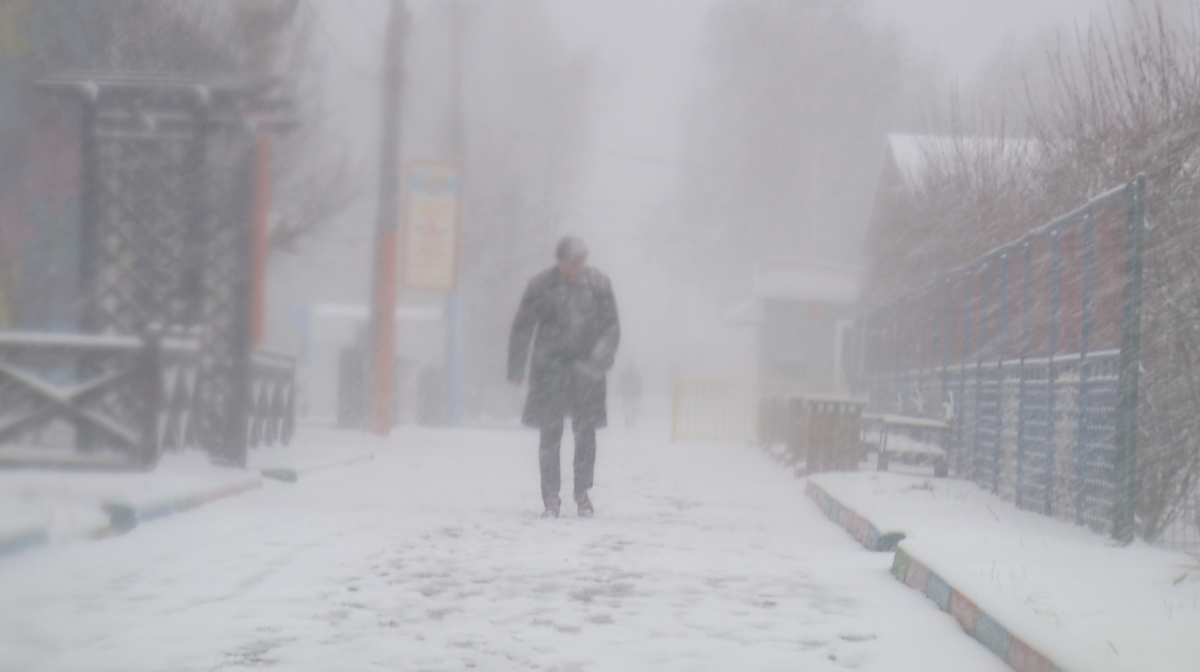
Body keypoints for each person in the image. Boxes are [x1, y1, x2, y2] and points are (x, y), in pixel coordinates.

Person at [508, 236, 620, 518]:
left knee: (586, 435)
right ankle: (550, 498)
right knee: (550, 436)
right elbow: (523, 326)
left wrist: (598, 360)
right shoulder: (541, 286)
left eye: (578, 263)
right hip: (550, 370)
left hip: (587, 373)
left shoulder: (599, 285)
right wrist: (517, 367)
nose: (574, 270)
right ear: (558, 262)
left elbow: (611, 328)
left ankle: (582, 492)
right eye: (569, 264)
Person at [617, 361, 643, 428]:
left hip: (626, 393)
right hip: (632, 393)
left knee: (626, 408)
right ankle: (631, 422)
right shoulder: (635, 373)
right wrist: (639, 391)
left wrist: (618, 390)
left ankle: (627, 423)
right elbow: (638, 383)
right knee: (632, 409)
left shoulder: (624, 373)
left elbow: (620, 383)